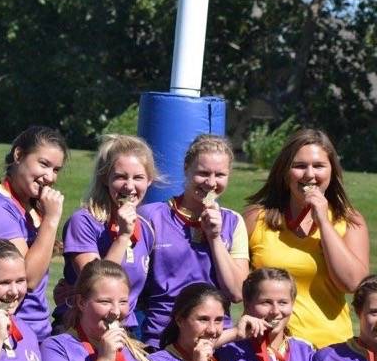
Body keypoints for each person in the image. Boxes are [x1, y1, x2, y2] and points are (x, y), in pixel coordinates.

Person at [245, 128, 370, 348]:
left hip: (330, 350)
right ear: (285, 172)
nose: (309, 175)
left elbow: (352, 284)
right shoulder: (256, 218)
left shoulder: (349, 221)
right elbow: (235, 287)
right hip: (267, 350)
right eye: (299, 166)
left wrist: (323, 220)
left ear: (332, 171)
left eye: (319, 166)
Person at [137, 134, 247, 348]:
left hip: (214, 340)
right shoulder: (151, 216)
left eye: (220, 175)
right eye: (203, 173)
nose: (211, 183)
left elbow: (236, 292)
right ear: (186, 169)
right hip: (161, 339)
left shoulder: (233, 222)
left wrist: (215, 237)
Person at [0, 126, 68, 341]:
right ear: (18, 155)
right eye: (43, 164)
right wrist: (51, 221)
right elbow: (29, 277)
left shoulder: (34, 206)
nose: (50, 176)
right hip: (7, 330)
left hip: (36, 330)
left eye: (56, 170)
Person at [55, 135, 157, 333]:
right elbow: (96, 284)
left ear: (149, 180)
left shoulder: (146, 228)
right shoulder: (84, 222)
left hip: (125, 330)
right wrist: (123, 237)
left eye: (138, 178)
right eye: (120, 177)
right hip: (83, 330)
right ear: (105, 178)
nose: (129, 186)